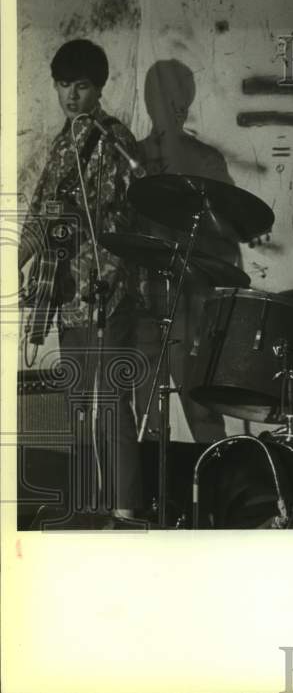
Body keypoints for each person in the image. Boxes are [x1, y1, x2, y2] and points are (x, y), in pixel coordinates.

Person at [19, 39, 146, 524]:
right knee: (74, 405)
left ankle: (127, 513)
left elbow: (123, 218)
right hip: (67, 296)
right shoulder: (60, 143)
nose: (70, 96)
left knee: (111, 405)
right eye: (62, 86)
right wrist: (18, 261)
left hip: (107, 293)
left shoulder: (115, 140)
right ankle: (87, 509)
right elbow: (40, 215)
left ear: (99, 89)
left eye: (81, 86)